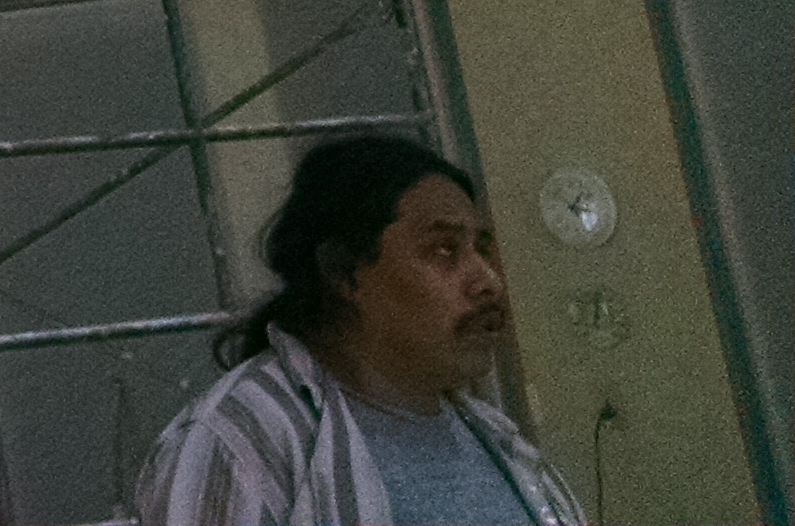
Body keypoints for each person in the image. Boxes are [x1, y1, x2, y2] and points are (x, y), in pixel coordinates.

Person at [134, 133, 579, 524]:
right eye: (444, 250)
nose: (487, 281)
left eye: (481, 249)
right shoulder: (246, 439)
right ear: (343, 271)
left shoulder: (497, 440)